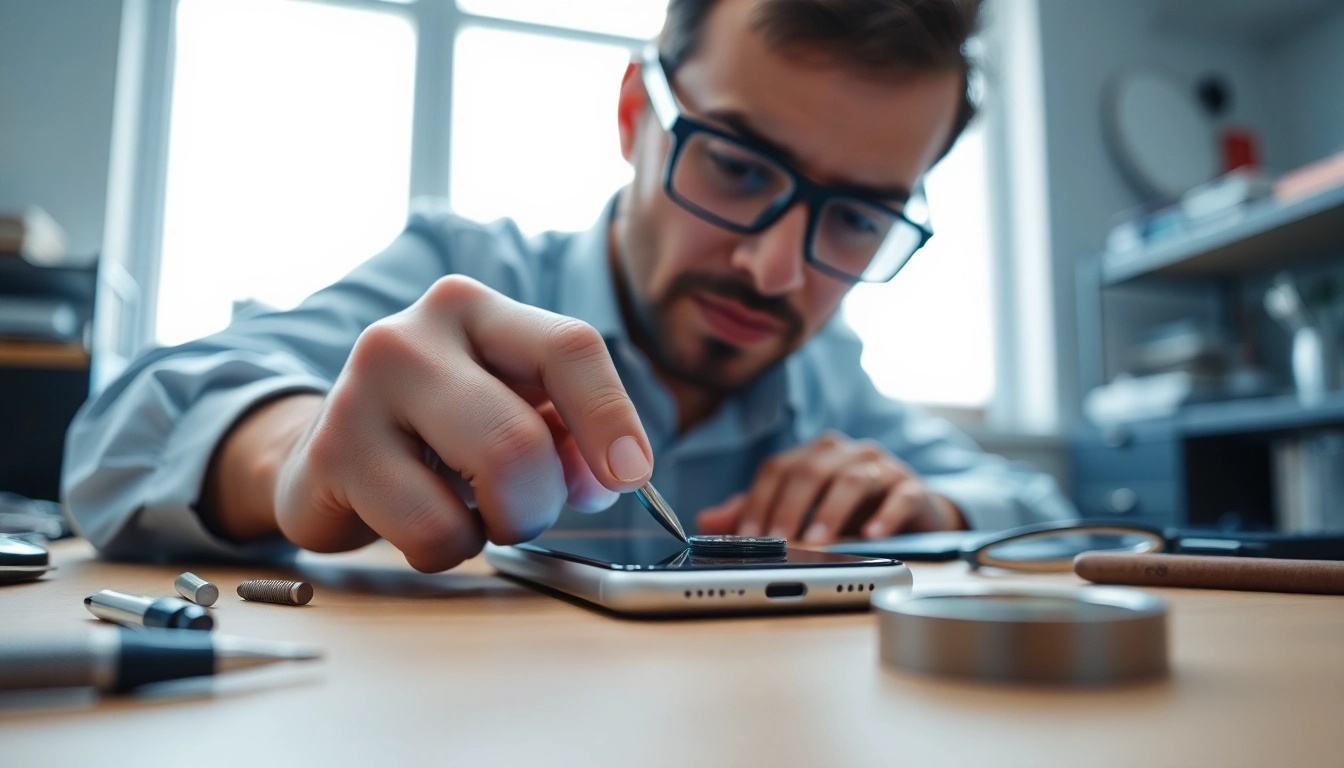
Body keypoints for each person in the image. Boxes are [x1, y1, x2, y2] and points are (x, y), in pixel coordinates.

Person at [64, 0, 1073, 570]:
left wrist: (929, 506)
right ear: (637, 113)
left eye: (857, 217)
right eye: (736, 163)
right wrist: (291, 455)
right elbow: (114, 443)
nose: (776, 270)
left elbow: (1038, 504)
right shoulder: (466, 277)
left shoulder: (830, 387)